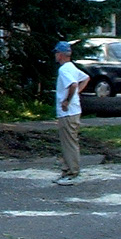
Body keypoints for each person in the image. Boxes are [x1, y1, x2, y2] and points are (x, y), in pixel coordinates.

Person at [53, 40, 90, 185]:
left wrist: (67, 100)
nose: (55, 56)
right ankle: (67, 170)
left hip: (68, 112)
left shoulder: (64, 70)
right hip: (73, 111)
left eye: (56, 53)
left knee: (69, 143)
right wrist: (76, 95)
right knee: (68, 142)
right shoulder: (72, 67)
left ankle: (73, 173)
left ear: (60, 54)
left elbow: (73, 85)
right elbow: (85, 78)